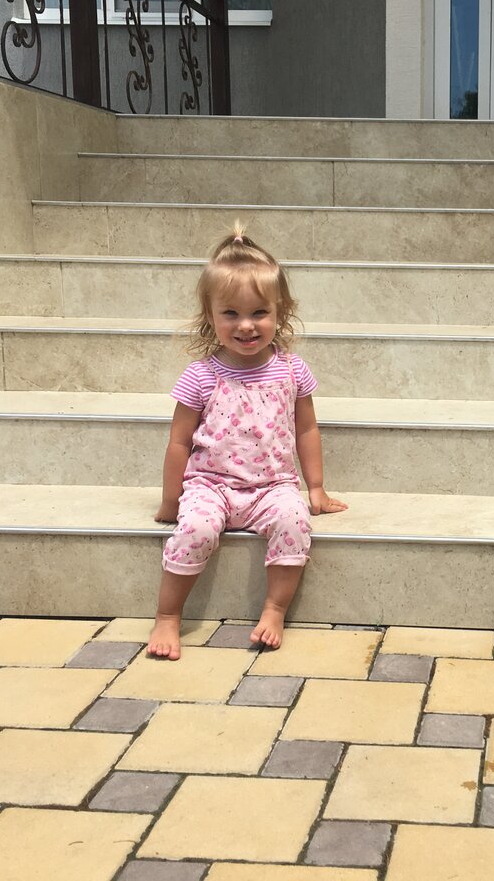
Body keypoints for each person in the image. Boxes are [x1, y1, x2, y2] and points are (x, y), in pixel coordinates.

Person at [148, 226, 347, 660]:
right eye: (231, 313)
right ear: (210, 316)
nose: (245, 325)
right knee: (195, 530)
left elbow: (307, 430)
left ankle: (274, 610)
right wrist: (170, 500)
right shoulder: (201, 376)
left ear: (280, 311)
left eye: (259, 312)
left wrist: (315, 488)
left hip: (273, 487)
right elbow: (179, 443)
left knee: (294, 523)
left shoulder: (292, 370)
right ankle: (168, 615)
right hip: (211, 485)